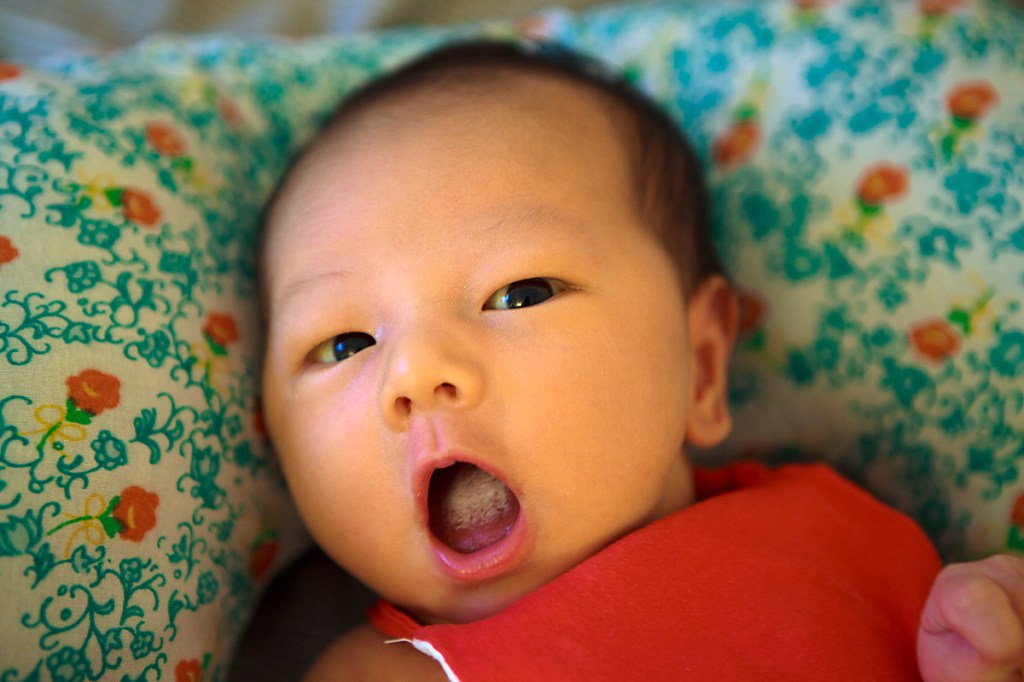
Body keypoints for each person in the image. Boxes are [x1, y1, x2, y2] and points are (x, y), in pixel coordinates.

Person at [258, 40, 1024, 681]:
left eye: (519, 294)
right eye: (343, 345)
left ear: (702, 363)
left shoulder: (842, 539)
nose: (416, 370)